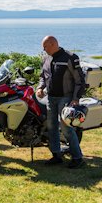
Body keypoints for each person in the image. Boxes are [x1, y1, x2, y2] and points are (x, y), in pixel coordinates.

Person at [36, 36, 86, 168]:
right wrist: (40, 87)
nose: (44, 50)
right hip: (50, 98)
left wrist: (76, 98)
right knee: (52, 127)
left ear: (53, 44)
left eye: (45, 47)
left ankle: (77, 158)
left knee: (66, 128)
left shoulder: (70, 57)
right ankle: (56, 155)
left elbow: (80, 80)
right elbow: (43, 76)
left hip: (66, 98)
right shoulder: (46, 59)